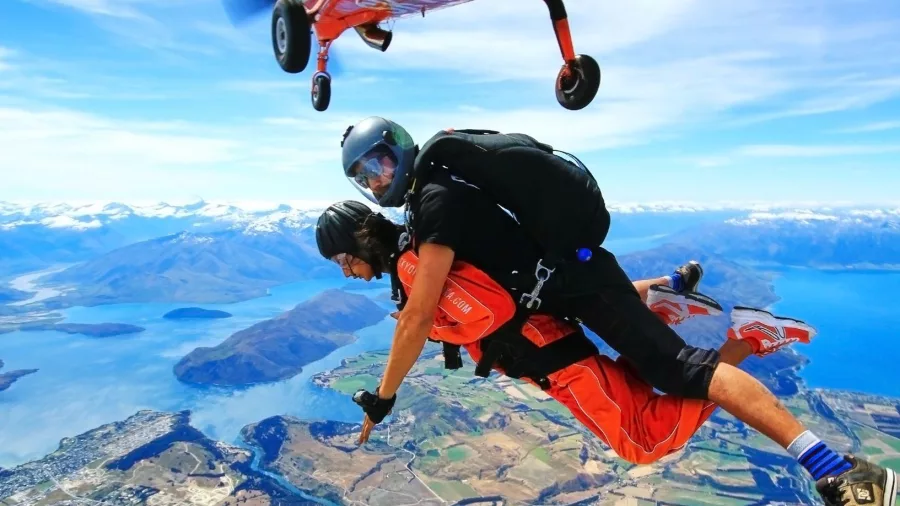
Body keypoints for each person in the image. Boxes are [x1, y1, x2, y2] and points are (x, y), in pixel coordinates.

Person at [336, 117, 898, 506]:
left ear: (401, 146)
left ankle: (835, 470)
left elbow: (419, 313)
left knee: (682, 373)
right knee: (629, 329)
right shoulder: (433, 197)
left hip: (576, 282)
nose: (377, 179)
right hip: (561, 286)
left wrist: (384, 396)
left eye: (380, 163)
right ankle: (668, 291)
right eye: (365, 176)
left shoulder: (436, 199)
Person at [316, 200, 810, 466]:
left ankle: (748, 339)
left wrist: (384, 396)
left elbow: (484, 314)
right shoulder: (422, 251)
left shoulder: (412, 266)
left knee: (646, 441)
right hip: (553, 344)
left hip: (557, 364)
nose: (345, 271)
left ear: (359, 242)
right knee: (642, 380)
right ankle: (661, 298)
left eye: (342, 259)